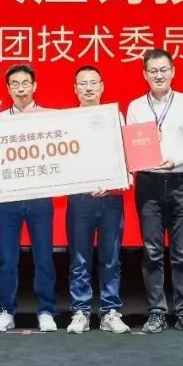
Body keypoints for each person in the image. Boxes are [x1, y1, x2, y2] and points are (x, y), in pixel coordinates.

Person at [125, 49, 183, 335]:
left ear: (173, 71)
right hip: (148, 183)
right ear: (145, 74)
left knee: (182, 251)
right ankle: (157, 312)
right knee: (152, 251)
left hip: (180, 181)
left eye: (163, 70)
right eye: (153, 71)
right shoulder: (136, 107)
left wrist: (180, 158)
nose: (159, 75)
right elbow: (131, 145)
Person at [0, 64, 57, 333]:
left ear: (35, 86)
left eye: (25, 83)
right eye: (14, 84)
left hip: (39, 196)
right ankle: (6, 311)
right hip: (8, 198)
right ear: (7, 88)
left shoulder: (50, 117)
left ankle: (46, 311)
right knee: (7, 258)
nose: (21, 88)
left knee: (44, 257)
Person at [65, 66, 130, 335]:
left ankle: (109, 312)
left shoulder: (115, 116)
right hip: (80, 199)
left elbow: (126, 153)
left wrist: (119, 180)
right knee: (80, 259)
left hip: (111, 197)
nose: (89, 88)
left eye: (93, 83)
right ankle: (80, 311)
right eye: (83, 84)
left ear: (102, 86)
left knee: (110, 258)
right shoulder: (66, 120)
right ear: (75, 89)